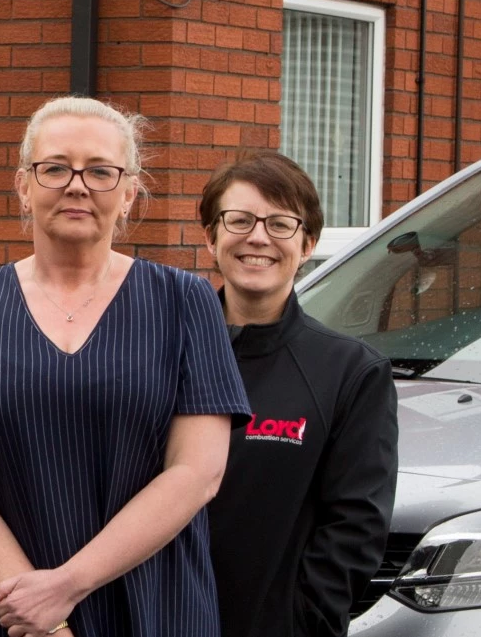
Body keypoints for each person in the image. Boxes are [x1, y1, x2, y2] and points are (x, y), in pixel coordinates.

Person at [0, 97, 251, 637]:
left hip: (158, 608)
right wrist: (39, 616)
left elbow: (197, 473)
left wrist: (64, 587)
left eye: (101, 171)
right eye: (55, 167)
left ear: (130, 191)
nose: (77, 185)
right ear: (23, 184)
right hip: (13, 614)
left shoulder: (186, 304)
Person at [198, 153, 395, 637]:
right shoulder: (165, 353)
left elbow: (357, 526)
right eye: (239, 220)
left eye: (280, 224)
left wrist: (301, 619)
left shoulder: (351, 371)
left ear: (307, 244)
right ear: (211, 236)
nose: (258, 237)